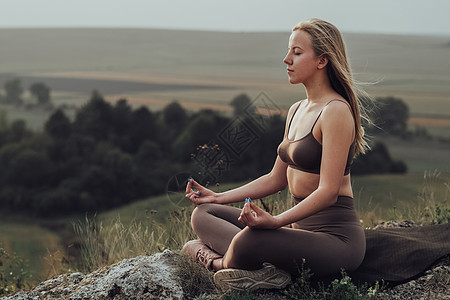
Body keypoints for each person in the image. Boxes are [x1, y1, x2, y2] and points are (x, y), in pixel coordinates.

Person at [183, 18, 368, 292]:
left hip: (335, 241)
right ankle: (260, 268)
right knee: (203, 214)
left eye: (297, 52)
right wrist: (218, 197)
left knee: (250, 240)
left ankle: (216, 263)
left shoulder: (335, 112)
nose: (286, 59)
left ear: (322, 61)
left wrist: (275, 222)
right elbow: (275, 179)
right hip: (297, 234)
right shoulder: (296, 110)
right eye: (289, 51)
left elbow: (328, 191)